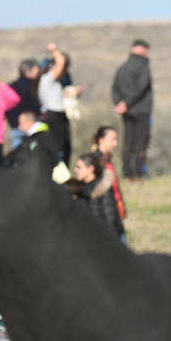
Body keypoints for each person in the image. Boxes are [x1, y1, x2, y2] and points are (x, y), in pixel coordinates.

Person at [111, 39, 153, 181]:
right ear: (141, 49)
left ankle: (127, 174)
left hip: (127, 111)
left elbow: (115, 89)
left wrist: (120, 104)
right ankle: (138, 174)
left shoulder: (122, 68)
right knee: (141, 143)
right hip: (141, 110)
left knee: (128, 142)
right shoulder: (143, 66)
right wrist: (127, 103)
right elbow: (141, 87)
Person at [65, 152, 123, 239]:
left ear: (91, 169)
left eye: (79, 167)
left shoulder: (103, 189)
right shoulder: (79, 190)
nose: (75, 170)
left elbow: (111, 219)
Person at [38, 43, 72, 162]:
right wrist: (55, 50)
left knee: (65, 149)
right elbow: (61, 63)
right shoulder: (47, 78)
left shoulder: (55, 82)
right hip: (54, 117)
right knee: (59, 151)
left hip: (59, 117)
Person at [90, 126, 126, 233]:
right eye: (112, 139)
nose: (115, 143)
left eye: (116, 140)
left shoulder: (106, 159)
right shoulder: (95, 160)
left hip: (114, 209)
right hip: (105, 213)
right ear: (101, 140)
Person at [11, 109, 62, 180]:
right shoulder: (35, 136)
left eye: (21, 123)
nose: (19, 127)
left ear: (29, 122)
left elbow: (52, 156)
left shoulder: (41, 136)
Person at [6, 58, 42, 149]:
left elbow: (7, 109)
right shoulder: (34, 87)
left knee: (18, 158)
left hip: (16, 127)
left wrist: (14, 123)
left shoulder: (11, 88)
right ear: (29, 71)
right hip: (32, 127)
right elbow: (37, 106)